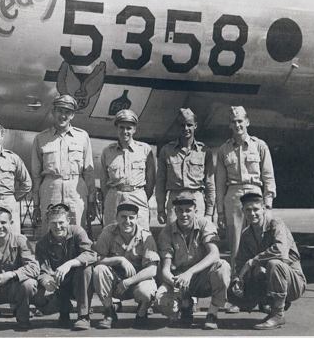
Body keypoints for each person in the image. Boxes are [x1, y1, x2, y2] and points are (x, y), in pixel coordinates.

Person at [215, 105, 276, 313]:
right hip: (234, 196)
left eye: (241, 121)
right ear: (229, 125)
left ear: (247, 122)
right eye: (234, 122)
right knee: (237, 248)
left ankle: (265, 295)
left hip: (256, 195)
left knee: (262, 247)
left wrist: (267, 204)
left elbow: (268, 177)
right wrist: (220, 211)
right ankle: (237, 296)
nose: (237, 125)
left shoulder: (260, 146)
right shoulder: (224, 150)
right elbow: (219, 183)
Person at [228, 192, 306, 330]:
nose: (252, 213)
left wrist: (254, 261)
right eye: (248, 210)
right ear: (243, 211)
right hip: (270, 277)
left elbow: (280, 252)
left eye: (256, 209)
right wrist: (237, 281)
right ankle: (268, 302)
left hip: (292, 282)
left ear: (263, 209)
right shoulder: (247, 234)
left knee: (274, 264)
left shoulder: (276, 224)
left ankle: (278, 314)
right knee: (233, 293)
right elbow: (240, 263)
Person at [155, 191, 231, 330]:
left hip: (202, 277)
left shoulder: (204, 224)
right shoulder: (166, 232)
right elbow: (166, 268)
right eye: (180, 211)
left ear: (195, 210)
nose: (184, 214)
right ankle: (185, 305)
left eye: (188, 211)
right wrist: (176, 285)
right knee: (162, 301)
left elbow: (214, 254)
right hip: (179, 279)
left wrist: (189, 273)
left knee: (223, 267)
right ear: (175, 211)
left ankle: (212, 314)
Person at [31, 94, 96, 234]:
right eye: (60, 111)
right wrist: (36, 204)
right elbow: (36, 175)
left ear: (72, 115)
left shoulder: (82, 137)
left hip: (75, 191)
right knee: (51, 231)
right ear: (53, 112)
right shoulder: (41, 138)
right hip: (51, 191)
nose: (63, 116)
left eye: (67, 112)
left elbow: (89, 172)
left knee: (75, 231)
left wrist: (91, 202)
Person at [92, 201, 159, 329]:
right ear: (117, 218)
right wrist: (119, 259)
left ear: (137, 219)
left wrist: (128, 282)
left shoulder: (146, 236)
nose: (127, 221)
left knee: (147, 291)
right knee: (99, 270)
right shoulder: (108, 231)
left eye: (131, 217)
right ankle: (109, 312)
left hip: (137, 282)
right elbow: (96, 259)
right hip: (115, 283)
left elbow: (152, 270)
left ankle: (141, 313)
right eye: (123, 217)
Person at [34, 203, 97, 331]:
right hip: (58, 284)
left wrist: (69, 264)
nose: (58, 227)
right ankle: (64, 310)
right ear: (48, 223)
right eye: (53, 223)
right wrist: (46, 281)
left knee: (86, 269)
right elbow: (42, 269)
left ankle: (83, 316)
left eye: (61, 222)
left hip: (79, 282)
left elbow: (91, 254)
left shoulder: (77, 232)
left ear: (68, 221)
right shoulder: (42, 243)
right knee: (42, 305)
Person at [156, 108, 215, 225]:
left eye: (189, 125)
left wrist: (209, 212)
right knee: (174, 237)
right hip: (174, 198)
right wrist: (160, 210)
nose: (186, 128)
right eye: (182, 125)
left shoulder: (204, 151)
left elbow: (209, 183)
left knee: (197, 237)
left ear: (195, 126)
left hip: (196, 198)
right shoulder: (166, 150)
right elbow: (160, 183)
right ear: (178, 126)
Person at [100, 109, 156, 230]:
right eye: (121, 127)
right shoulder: (107, 151)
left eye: (129, 128)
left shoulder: (145, 150)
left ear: (134, 129)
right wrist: (112, 196)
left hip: (137, 195)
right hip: (115, 196)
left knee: (141, 233)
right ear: (117, 128)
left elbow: (151, 180)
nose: (125, 131)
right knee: (112, 232)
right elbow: (104, 181)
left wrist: (141, 195)